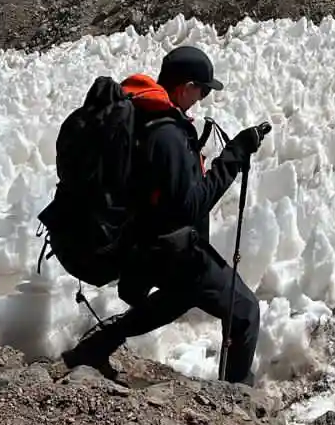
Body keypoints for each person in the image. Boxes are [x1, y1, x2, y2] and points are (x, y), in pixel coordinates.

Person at [62, 45, 270, 384]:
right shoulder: (167, 133)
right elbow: (190, 206)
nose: (202, 97)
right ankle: (237, 396)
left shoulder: (145, 118)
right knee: (244, 310)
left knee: (178, 297)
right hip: (170, 248)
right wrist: (234, 155)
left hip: (144, 243)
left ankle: (93, 349)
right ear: (186, 86)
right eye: (201, 89)